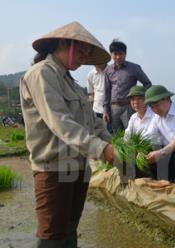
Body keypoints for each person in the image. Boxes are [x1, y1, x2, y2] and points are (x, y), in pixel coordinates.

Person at [20, 22, 114, 247]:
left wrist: (114, 144)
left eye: (88, 53)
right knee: (51, 235)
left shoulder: (71, 82)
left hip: (79, 167)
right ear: (64, 43)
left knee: (70, 228)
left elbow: (93, 122)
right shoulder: (41, 74)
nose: (84, 57)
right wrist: (102, 149)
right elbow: (61, 123)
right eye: (82, 50)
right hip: (54, 168)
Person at [103, 39, 152, 133]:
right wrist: (105, 110)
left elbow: (147, 84)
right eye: (115, 54)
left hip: (129, 107)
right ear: (111, 54)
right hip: (114, 108)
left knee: (132, 134)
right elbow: (107, 91)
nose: (118, 57)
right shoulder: (108, 70)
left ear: (125, 54)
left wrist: (140, 97)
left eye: (120, 54)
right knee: (117, 135)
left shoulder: (134, 68)